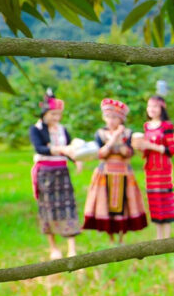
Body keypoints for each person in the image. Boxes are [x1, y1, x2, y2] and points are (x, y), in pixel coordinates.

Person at [82, 98, 147, 243]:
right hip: (105, 173)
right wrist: (114, 139)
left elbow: (128, 153)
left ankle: (121, 237)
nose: (111, 121)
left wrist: (118, 141)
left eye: (114, 117)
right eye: (108, 117)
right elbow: (100, 153)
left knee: (124, 204)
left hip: (123, 173)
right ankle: (110, 237)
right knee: (104, 204)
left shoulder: (128, 134)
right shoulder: (100, 134)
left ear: (121, 119)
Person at [28, 89, 82, 259]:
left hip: (62, 172)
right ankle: (54, 248)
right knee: (48, 209)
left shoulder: (62, 129)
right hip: (45, 173)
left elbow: (70, 147)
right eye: (53, 114)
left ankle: (72, 248)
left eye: (59, 115)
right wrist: (61, 149)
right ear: (45, 113)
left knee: (68, 206)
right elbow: (40, 148)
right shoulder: (36, 129)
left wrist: (76, 158)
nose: (56, 118)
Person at [134, 96, 174, 239]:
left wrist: (151, 146)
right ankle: (159, 237)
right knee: (153, 198)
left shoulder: (167, 126)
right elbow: (146, 150)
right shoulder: (146, 126)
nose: (151, 109)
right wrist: (141, 147)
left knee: (165, 198)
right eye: (149, 106)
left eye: (155, 106)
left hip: (163, 168)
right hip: (150, 168)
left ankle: (167, 236)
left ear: (162, 108)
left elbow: (171, 150)